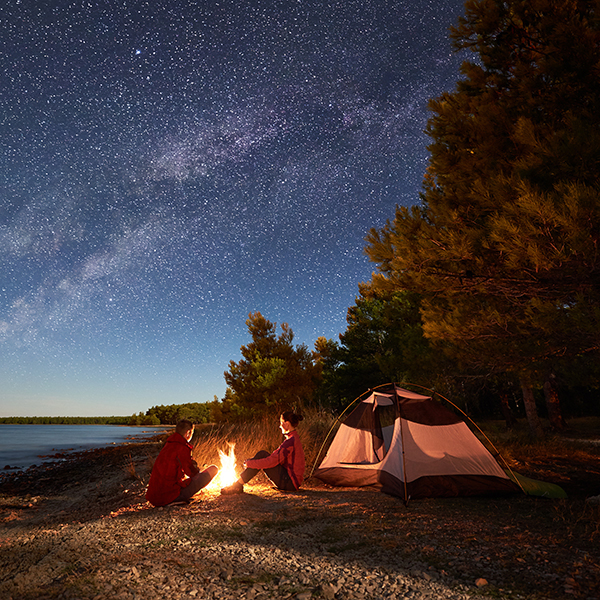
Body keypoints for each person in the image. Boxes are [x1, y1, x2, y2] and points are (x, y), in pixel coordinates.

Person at [221, 410, 305, 494]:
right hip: (290, 482)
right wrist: (253, 462)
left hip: (289, 483)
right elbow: (274, 458)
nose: (280, 426)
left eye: (281, 422)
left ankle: (237, 485)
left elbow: (271, 462)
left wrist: (250, 463)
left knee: (262, 455)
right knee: (262, 455)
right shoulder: (293, 439)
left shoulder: (290, 442)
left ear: (287, 424)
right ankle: (238, 485)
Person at [146, 419, 218, 507]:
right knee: (213, 469)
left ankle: (173, 500)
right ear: (188, 433)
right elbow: (191, 473)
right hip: (168, 496)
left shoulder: (168, 445)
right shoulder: (182, 448)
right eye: (192, 433)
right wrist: (198, 471)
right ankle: (173, 501)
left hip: (154, 498)